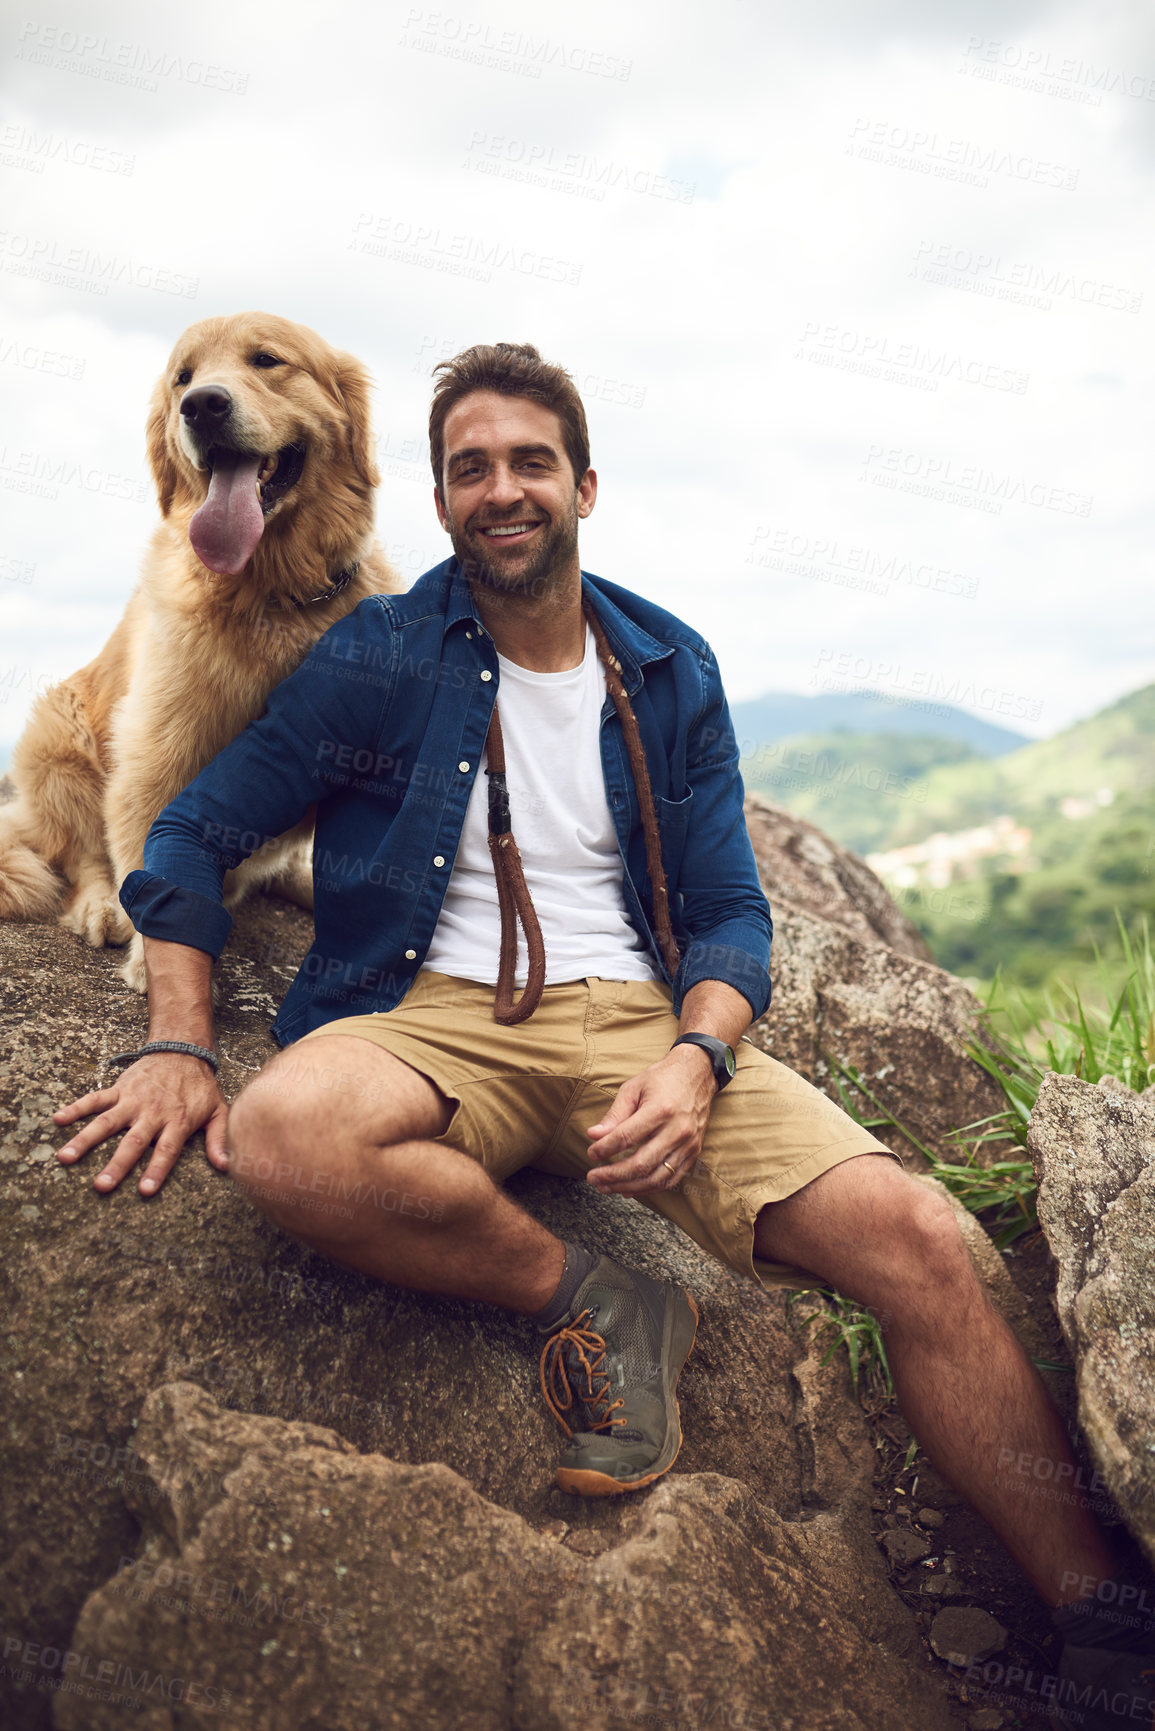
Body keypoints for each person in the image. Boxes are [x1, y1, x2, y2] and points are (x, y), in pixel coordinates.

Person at [54, 344, 1152, 1726]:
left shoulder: (668, 664)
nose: (500, 491)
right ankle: (591, 1296)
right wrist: (176, 1041)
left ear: (581, 483)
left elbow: (732, 915)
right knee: (282, 1138)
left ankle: (1098, 1623)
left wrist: (698, 1061)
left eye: (527, 463)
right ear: (443, 497)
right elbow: (196, 828)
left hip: (640, 1024)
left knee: (924, 1242)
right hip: (427, 1016)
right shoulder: (381, 650)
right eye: (470, 468)